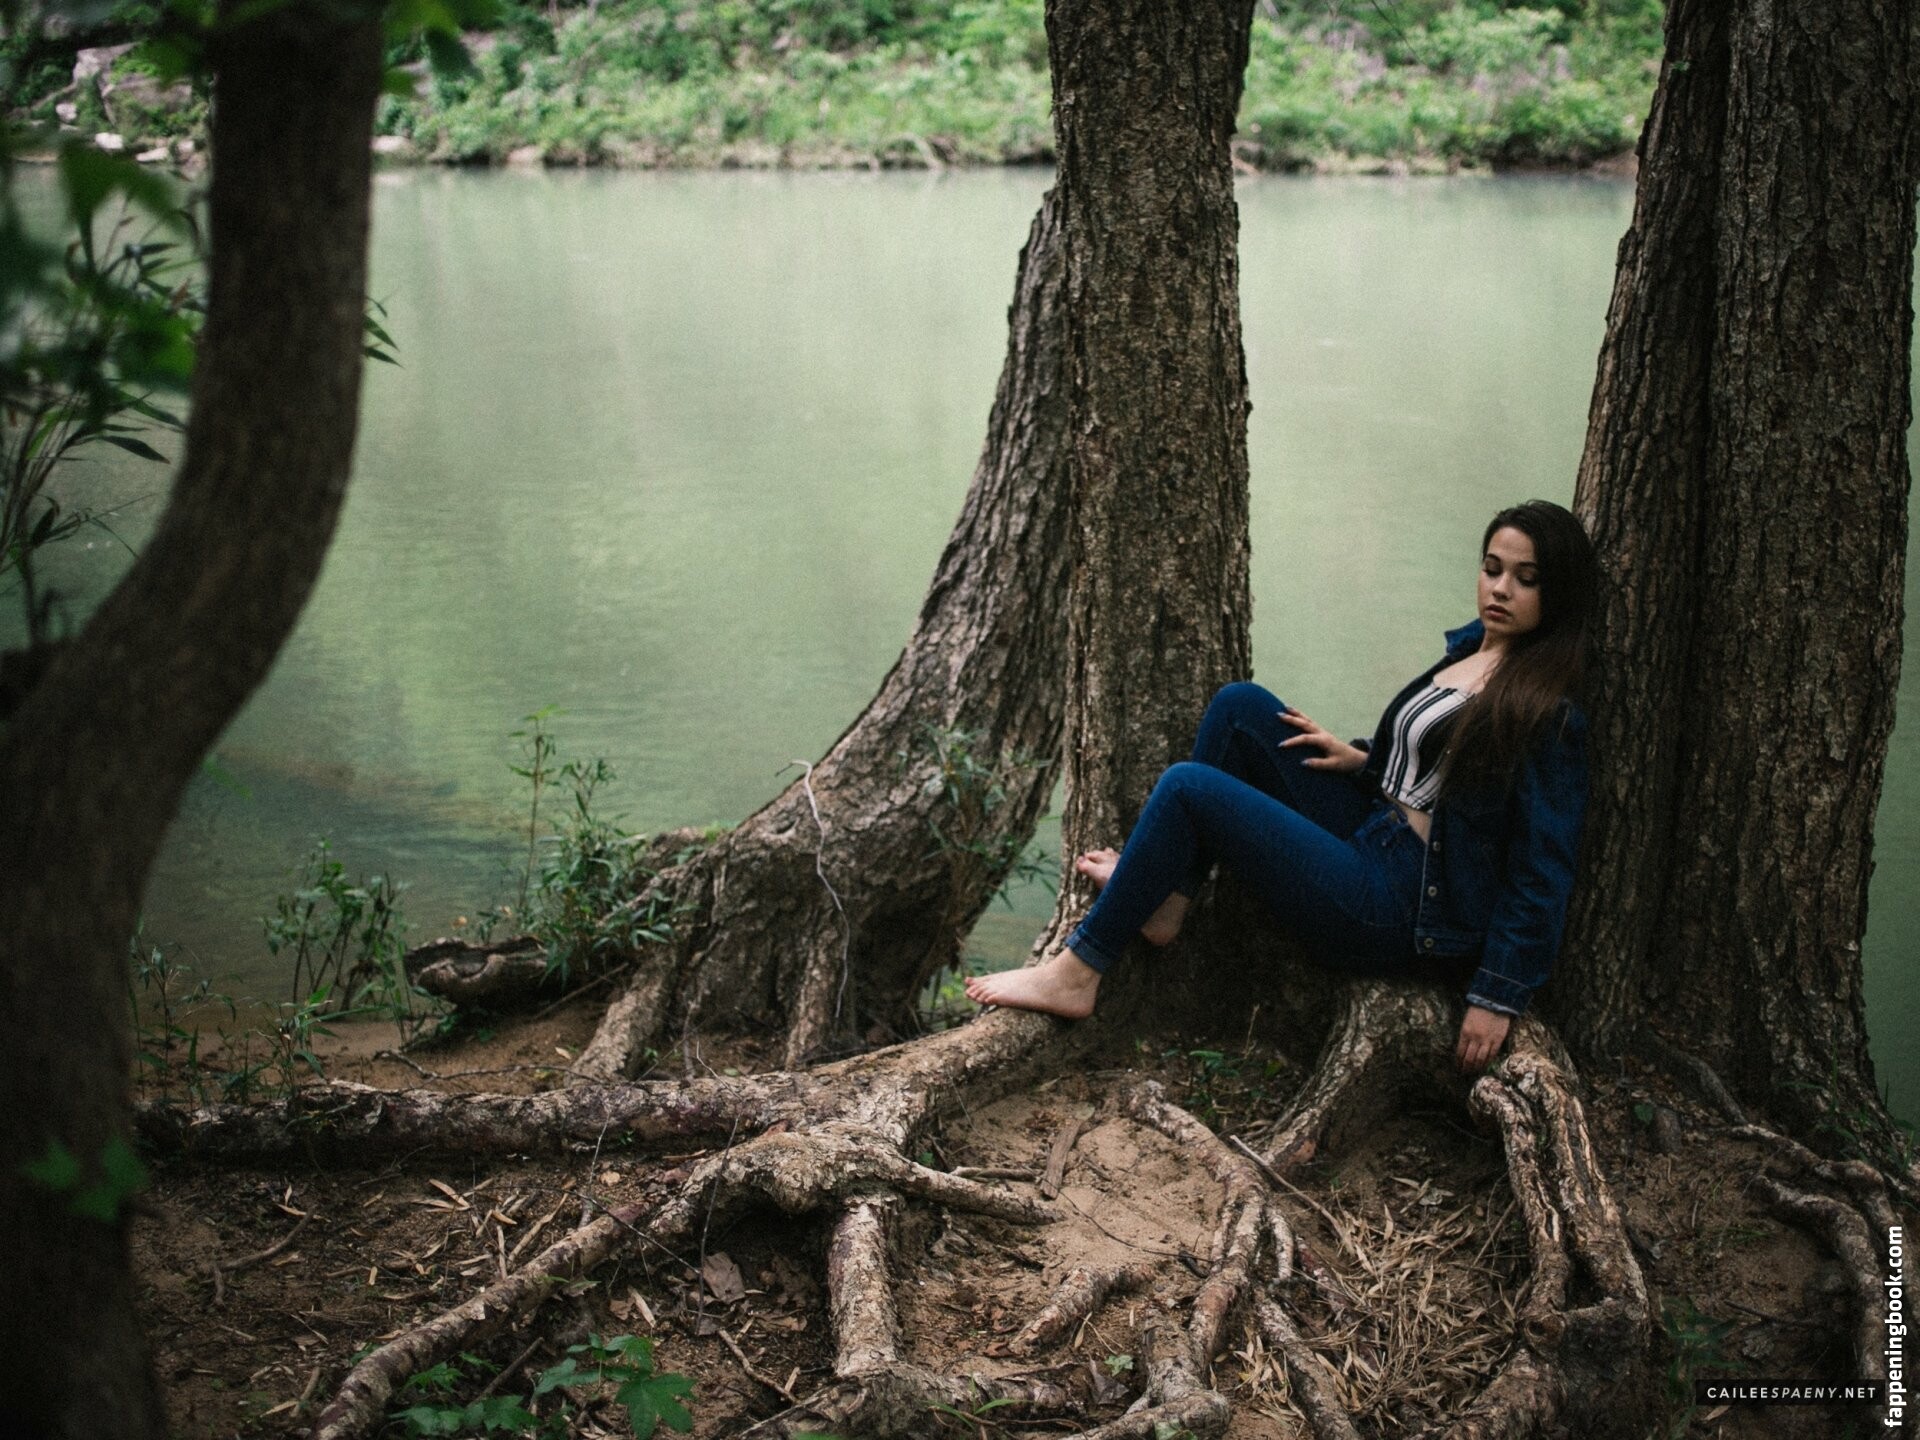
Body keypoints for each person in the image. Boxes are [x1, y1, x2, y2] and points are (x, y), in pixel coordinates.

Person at [965, 500, 1598, 1074]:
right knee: (1239, 708)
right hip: (1374, 827)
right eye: (1492, 569)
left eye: (1526, 578)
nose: (1501, 588)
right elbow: (1439, 767)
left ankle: (1078, 972)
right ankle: (1165, 901)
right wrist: (1364, 760)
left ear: (1557, 593)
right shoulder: (1470, 650)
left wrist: (1497, 994)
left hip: (1399, 905)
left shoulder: (1549, 712)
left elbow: (1541, 870)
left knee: (1188, 788)